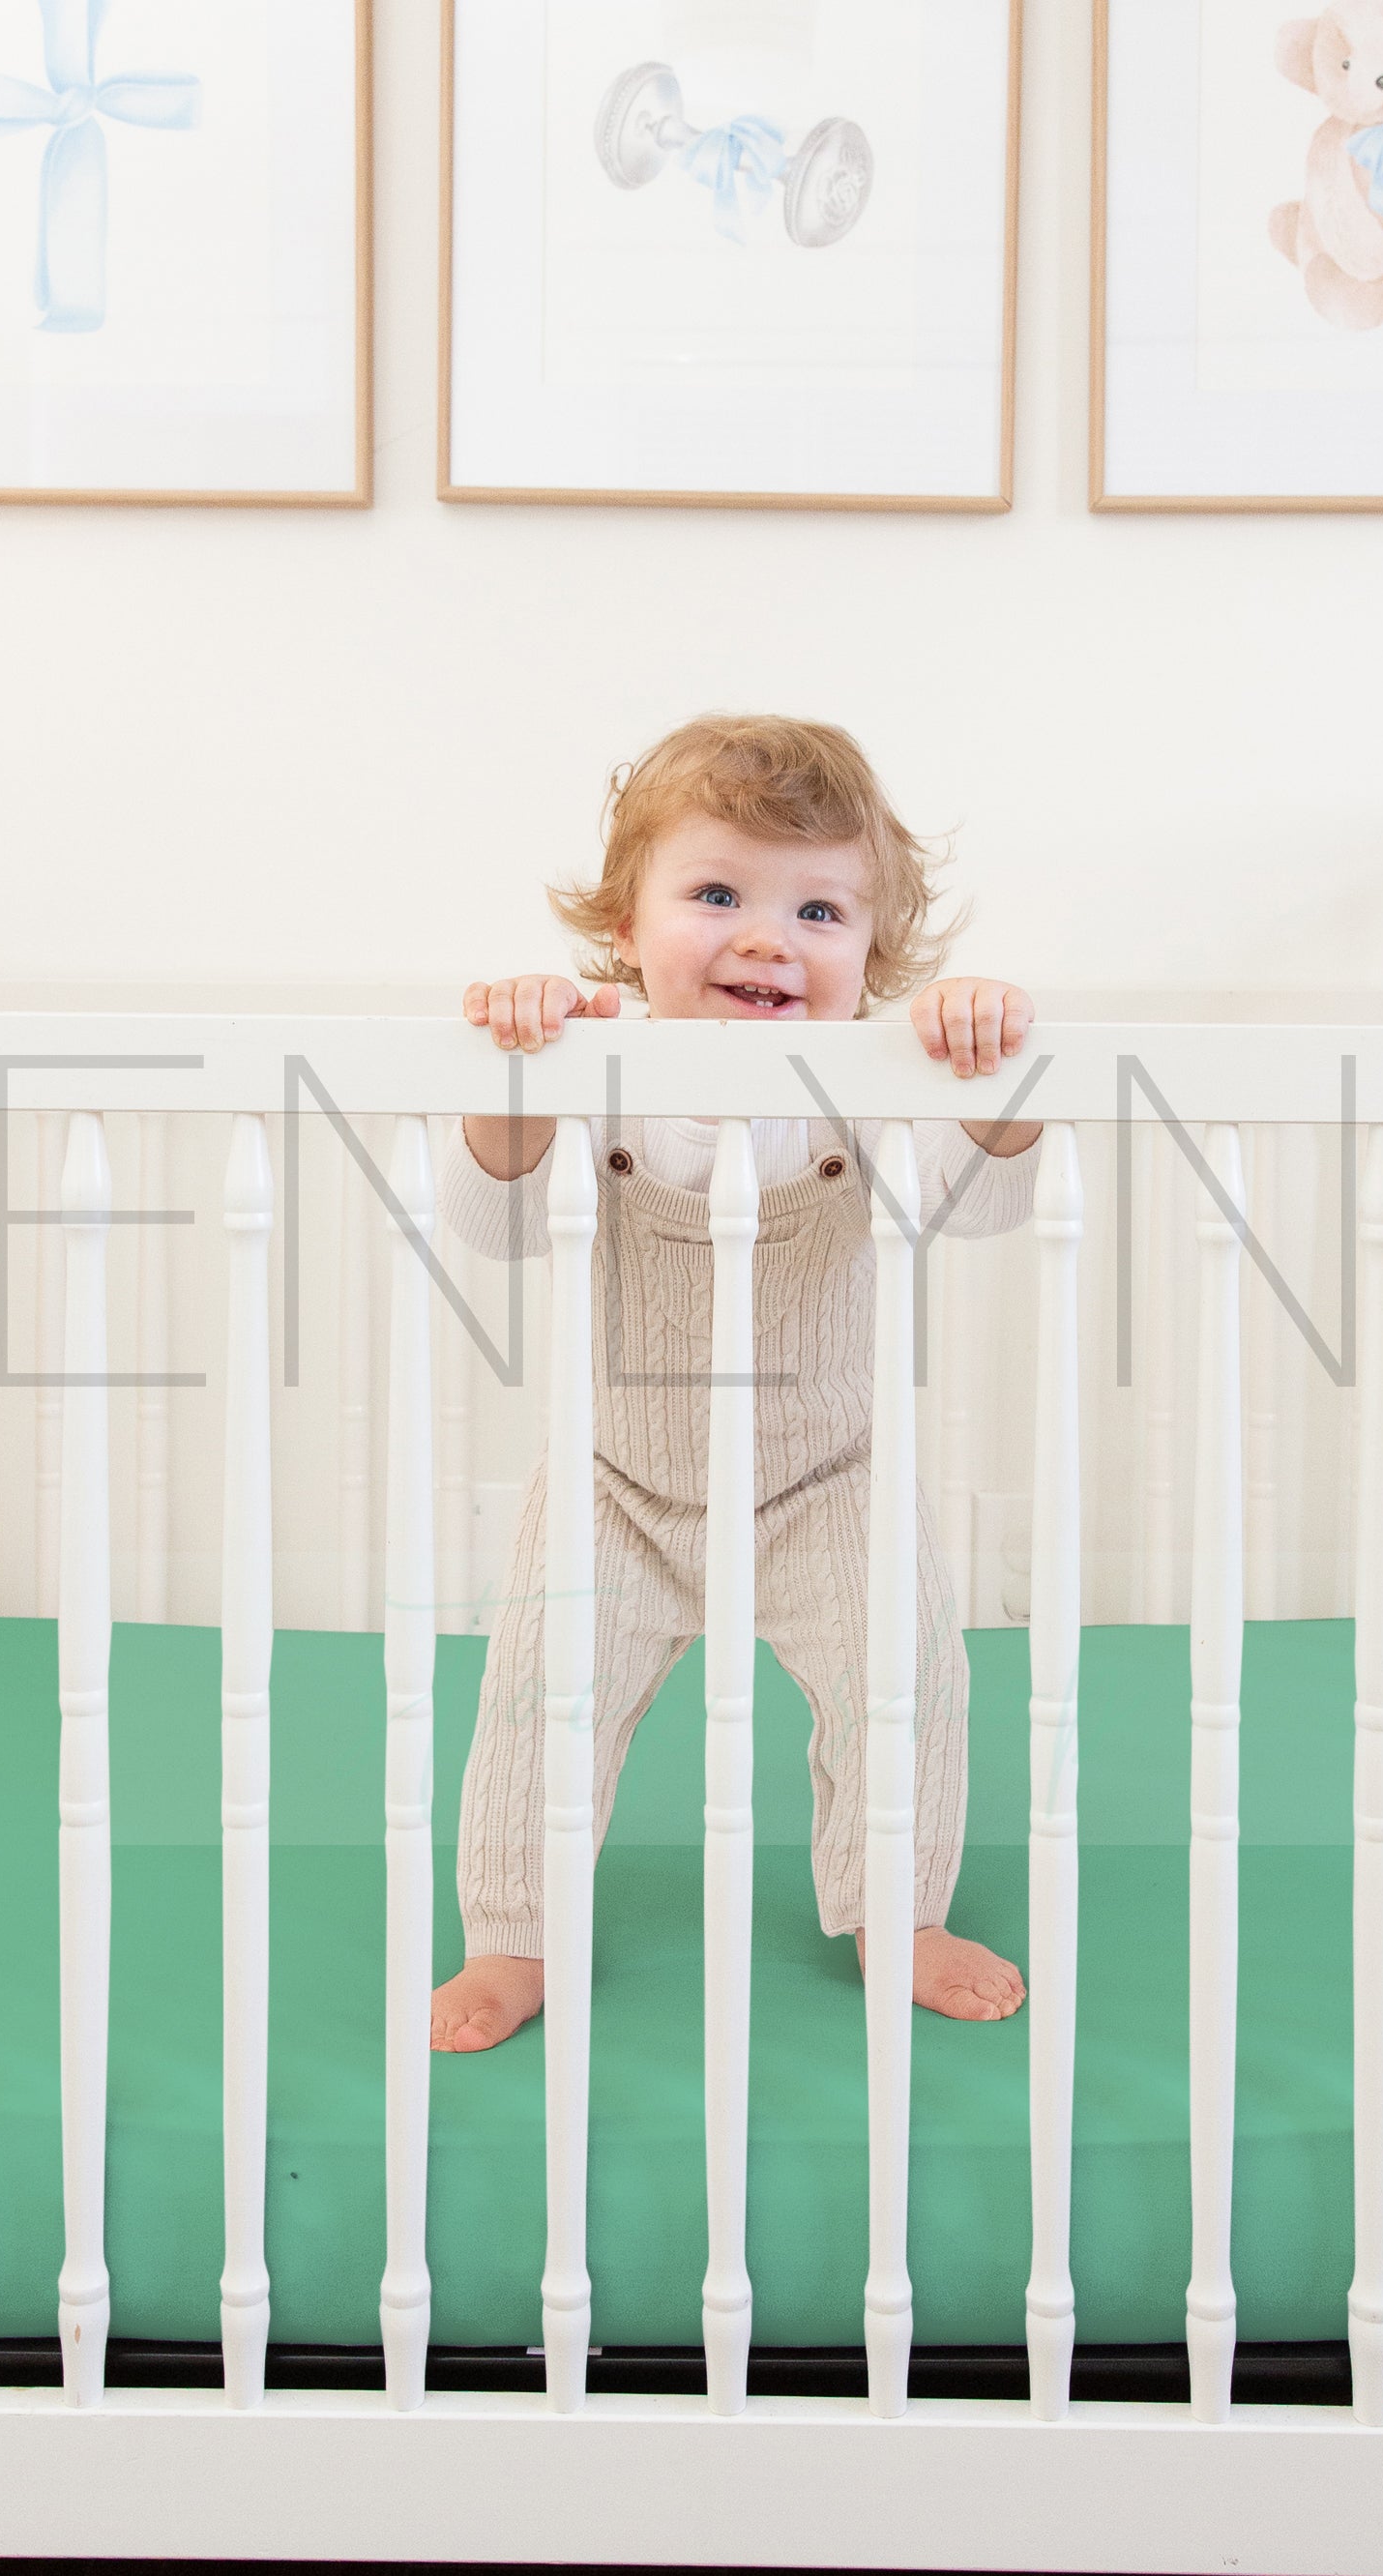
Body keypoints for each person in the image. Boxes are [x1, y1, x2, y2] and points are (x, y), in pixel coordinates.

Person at [429, 714, 1042, 2054]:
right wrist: (519, 1067)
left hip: (833, 1475)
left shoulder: (882, 1086)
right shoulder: (592, 1069)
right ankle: (514, 1934)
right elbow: (495, 1222)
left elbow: (986, 1199)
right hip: (618, 1477)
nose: (768, 938)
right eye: (717, 895)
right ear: (623, 925)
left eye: (819, 909)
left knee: (908, 1681)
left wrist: (997, 1071)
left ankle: (902, 1910)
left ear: (875, 959)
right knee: (540, 1693)